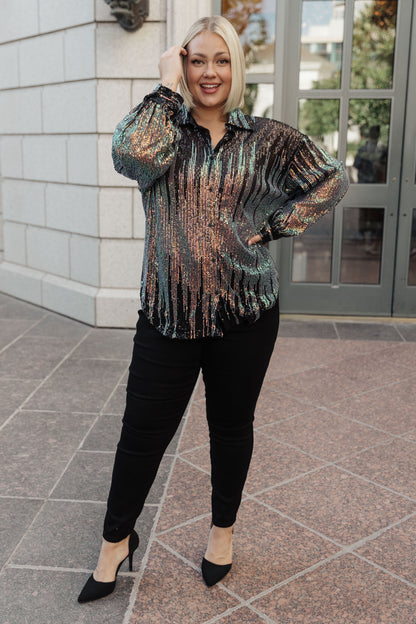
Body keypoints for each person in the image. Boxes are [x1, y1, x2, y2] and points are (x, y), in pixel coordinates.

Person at [78, 15, 349, 603]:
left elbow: (331, 179)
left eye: (221, 60)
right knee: (141, 434)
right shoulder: (161, 131)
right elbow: (128, 157)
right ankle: (115, 541)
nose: (209, 72)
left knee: (230, 429)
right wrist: (164, 86)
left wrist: (275, 225)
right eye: (196, 60)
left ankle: (221, 532)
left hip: (245, 315)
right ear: (182, 65)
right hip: (168, 315)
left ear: (236, 68)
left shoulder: (267, 139)